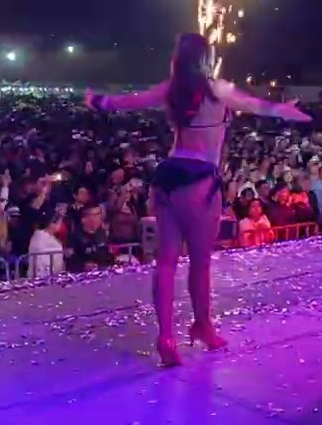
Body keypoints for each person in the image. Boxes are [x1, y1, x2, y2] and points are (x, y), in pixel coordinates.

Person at [85, 32, 310, 367]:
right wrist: (286, 111)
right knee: (200, 262)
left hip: (167, 178)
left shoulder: (170, 89)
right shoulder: (217, 88)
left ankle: (166, 337)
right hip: (200, 182)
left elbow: (131, 101)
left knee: (166, 261)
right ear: (206, 59)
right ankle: (203, 326)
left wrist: (99, 101)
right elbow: (256, 106)